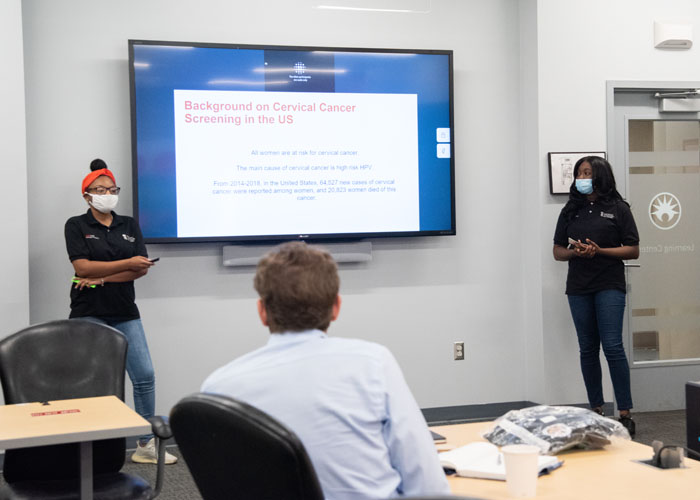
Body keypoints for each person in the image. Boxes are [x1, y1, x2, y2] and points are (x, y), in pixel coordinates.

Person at [201, 241, 450, 499]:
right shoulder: (373, 364)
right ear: (336, 307)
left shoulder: (218, 388)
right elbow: (428, 486)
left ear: (262, 311)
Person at [64, 158, 177, 464]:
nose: (107, 194)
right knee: (92, 380)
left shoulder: (128, 224)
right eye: (100, 189)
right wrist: (127, 263)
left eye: (111, 189)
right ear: (87, 196)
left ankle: (144, 444)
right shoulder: (76, 225)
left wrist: (101, 277)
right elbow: (81, 266)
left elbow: (140, 270)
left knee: (144, 376)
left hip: (124, 309)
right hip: (88, 310)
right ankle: (90, 447)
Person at [553, 156, 639, 437]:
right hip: (579, 286)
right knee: (587, 348)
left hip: (609, 284)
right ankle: (596, 409)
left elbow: (633, 250)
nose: (581, 177)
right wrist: (575, 252)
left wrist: (599, 251)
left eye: (587, 172)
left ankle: (624, 412)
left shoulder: (618, 208)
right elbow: (557, 251)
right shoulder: (570, 211)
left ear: (600, 176)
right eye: (579, 173)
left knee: (613, 346)